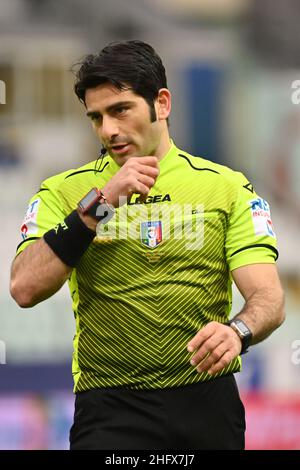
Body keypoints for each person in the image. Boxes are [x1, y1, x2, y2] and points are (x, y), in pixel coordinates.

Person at [10, 40, 285, 450]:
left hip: (205, 401)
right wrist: (101, 204)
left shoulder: (225, 187)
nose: (108, 130)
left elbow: (269, 299)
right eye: (96, 117)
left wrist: (237, 331)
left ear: (162, 103)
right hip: (109, 405)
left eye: (120, 110)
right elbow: (24, 288)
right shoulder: (65, 192)